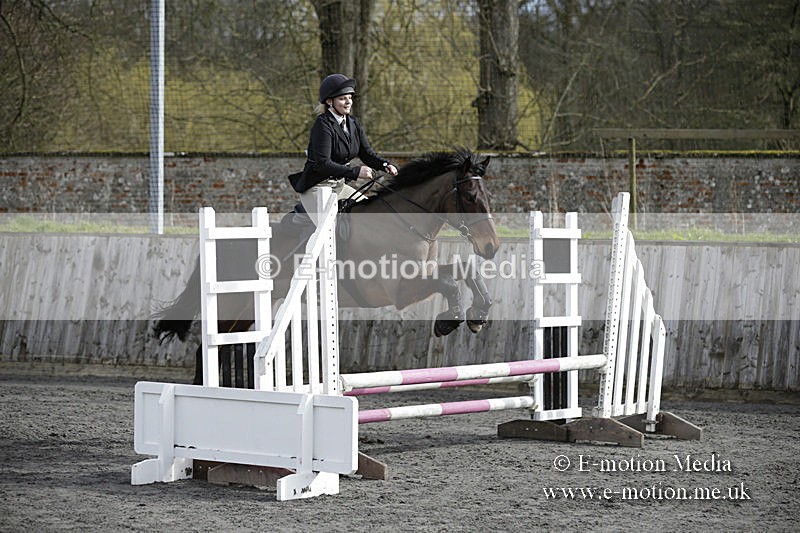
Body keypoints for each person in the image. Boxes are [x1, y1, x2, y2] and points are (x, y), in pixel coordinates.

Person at [289, 74, 398, 224]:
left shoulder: (353, 123)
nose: (348, 102)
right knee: (329, 230)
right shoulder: (322, 125)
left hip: (339, 186)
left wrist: (385, 165)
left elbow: (367, 154)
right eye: (342, 98)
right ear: (329, 101)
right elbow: (322, 164)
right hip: (317, 187)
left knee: (370, 215)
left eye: (350, 97)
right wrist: (355, 172)